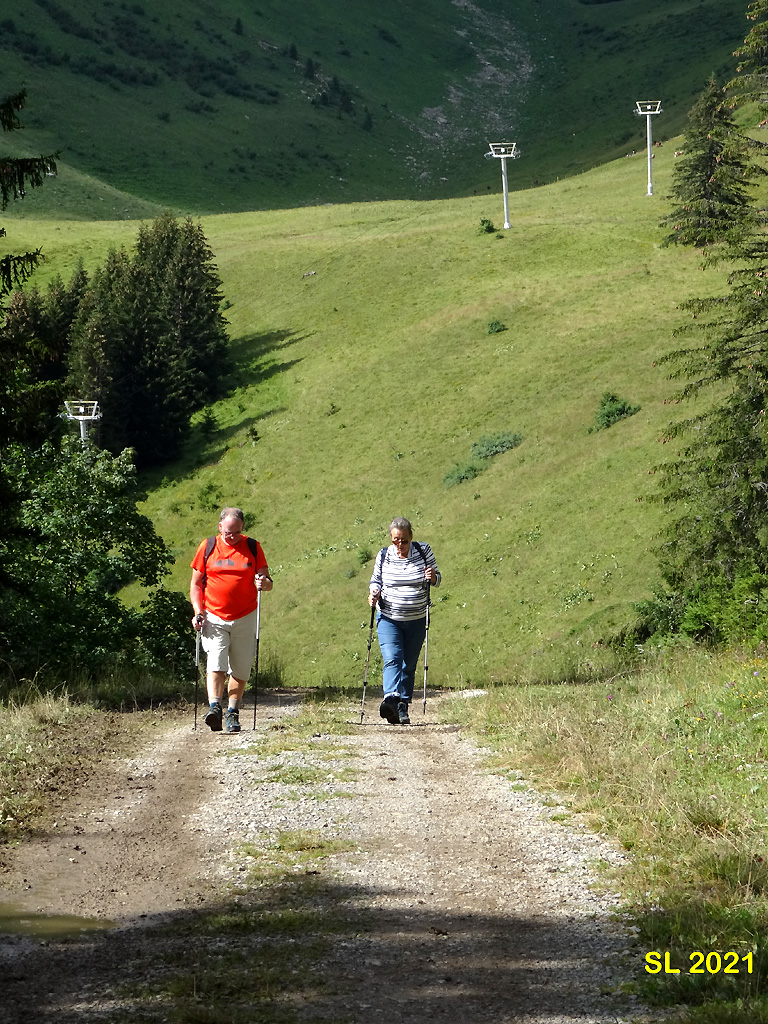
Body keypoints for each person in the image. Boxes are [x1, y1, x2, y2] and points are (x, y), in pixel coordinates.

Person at [190, 507, 273, 733]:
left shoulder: (253, 547)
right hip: (214, 615)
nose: (232, 537)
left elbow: (267, 581)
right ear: (220, 527)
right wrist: (198, 611)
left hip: (245, 616)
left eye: (236, 532)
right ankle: (215, 708)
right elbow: (196, 584)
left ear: (242, 528)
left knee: (241, 668)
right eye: (228, 533)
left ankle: (232, 713)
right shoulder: (207, 547)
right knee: (216, 662)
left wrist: (263, 583)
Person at [368, 517, 441, 726]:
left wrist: (433, 577)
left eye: (404, 541)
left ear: (411, 537)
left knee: (408, 665)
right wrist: (373, 593)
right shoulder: (384, 555)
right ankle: (391, 698)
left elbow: (437, 580)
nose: (400, 545)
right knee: (392, 658)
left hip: (417, 618)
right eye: (395, 540)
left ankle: (402, 705)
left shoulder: (423, 551)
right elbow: (376, 580)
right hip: (389, 617)